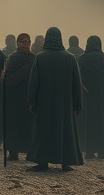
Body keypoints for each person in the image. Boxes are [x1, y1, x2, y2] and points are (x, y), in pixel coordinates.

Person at [27, 27, 83, 172]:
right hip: (65, 103)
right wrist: (78, 105)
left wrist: (31, 101)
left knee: (44, 130)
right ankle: (66, 162)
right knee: (65, 130)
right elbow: (77, 84)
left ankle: (42, 161)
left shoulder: (40, 57)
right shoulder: (70, 58)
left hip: (44, 102)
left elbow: (34, 82)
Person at [77, 35, 104, 160]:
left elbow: (78, 77)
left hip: (87, 93)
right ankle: (102, 150)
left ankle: (89, 150)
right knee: (102, 120)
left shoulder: (81, 59)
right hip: (102, 94)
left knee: (89, 121)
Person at [3, 33, 35, 162]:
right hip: (14, 96)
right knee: (14, 124)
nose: (25, 44)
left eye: (28, 41)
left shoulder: (34, 58)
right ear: (18, 43)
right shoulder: (12, 58)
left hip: (28, 95)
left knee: (29, 125)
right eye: (23, 41)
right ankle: (13, 152)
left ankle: (30, 152)